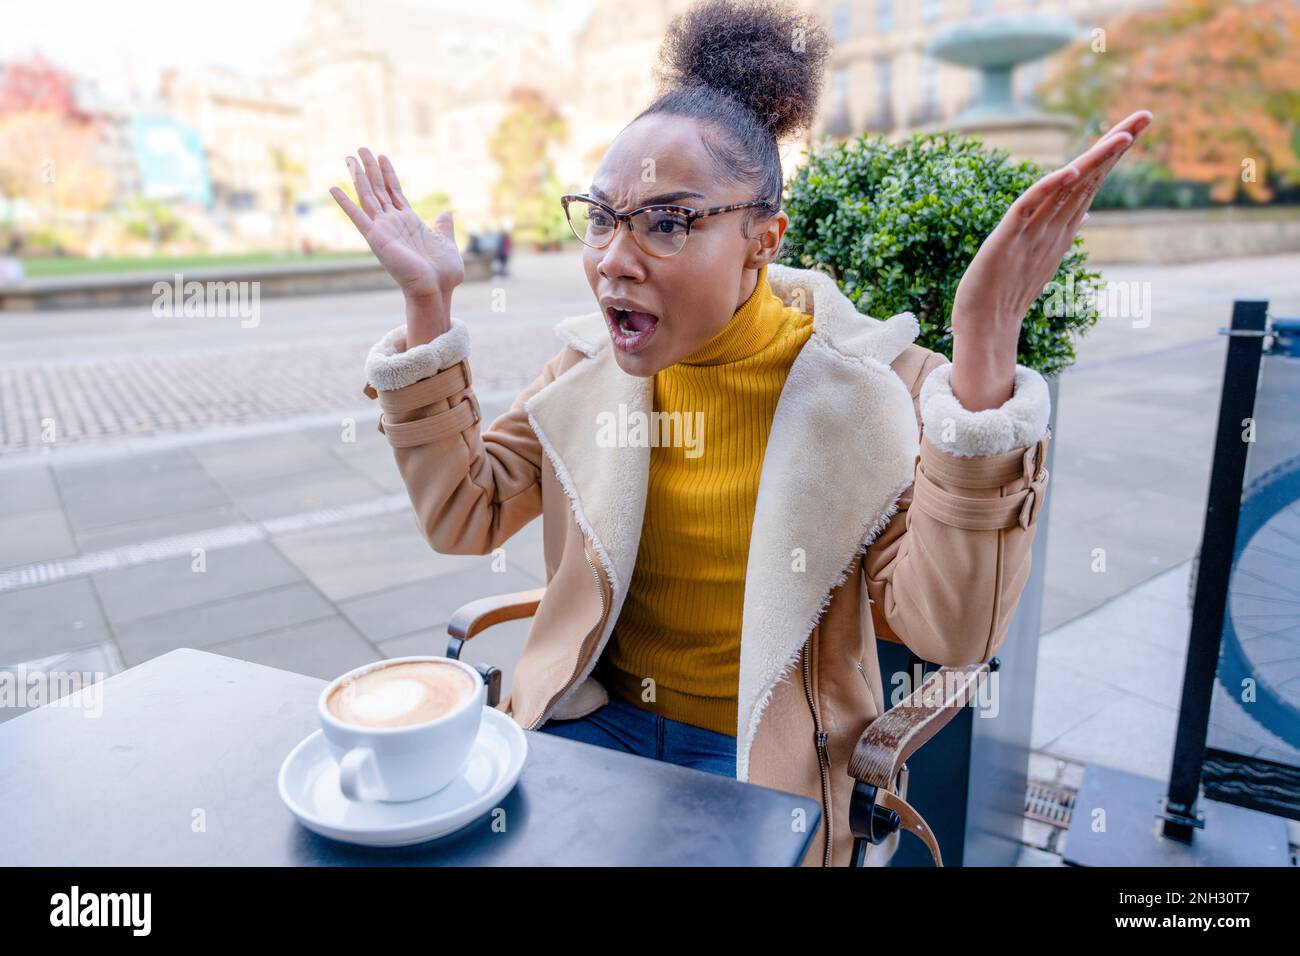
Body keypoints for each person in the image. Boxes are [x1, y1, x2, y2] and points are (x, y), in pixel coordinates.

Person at [333, 0, 1150, 867]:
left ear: (764, 238)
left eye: (668, 221)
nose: (614, 255)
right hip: (585, 720)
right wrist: (428, 308)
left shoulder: (877, 392)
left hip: (763, 763)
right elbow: (466, 513)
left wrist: (983, 355)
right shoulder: (582, 369)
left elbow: (951, 632)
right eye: (603, 216)